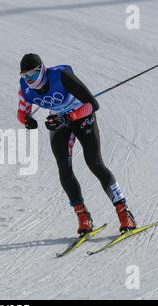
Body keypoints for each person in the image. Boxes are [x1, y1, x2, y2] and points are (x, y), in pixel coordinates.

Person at [17, 53, 136, 236]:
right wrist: (27, 121)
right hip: (59, 121)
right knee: (63, 168)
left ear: (41, 70)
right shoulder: (25, 88)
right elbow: (21, 112)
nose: (29, 80)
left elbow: (93, 105)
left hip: (82, 116)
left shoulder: (61, 76)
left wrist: (67, 116)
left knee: (94, 163)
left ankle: (123, 212)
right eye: (25, 76)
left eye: (32, 75)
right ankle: (82, 215)